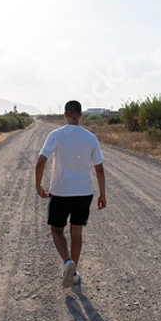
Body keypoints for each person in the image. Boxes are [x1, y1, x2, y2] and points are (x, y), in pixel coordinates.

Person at [35, 100, 107, 288]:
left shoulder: (56, 135)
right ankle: (73, 273)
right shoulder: (90, 137)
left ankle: (67, 262)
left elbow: (41, 161)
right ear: (81, 115)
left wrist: (38, 185)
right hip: (84, 192)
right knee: (77, 232)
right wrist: (102, 194)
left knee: (57, 230)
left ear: (65, 114)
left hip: (60, 191)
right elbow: (99, 168)